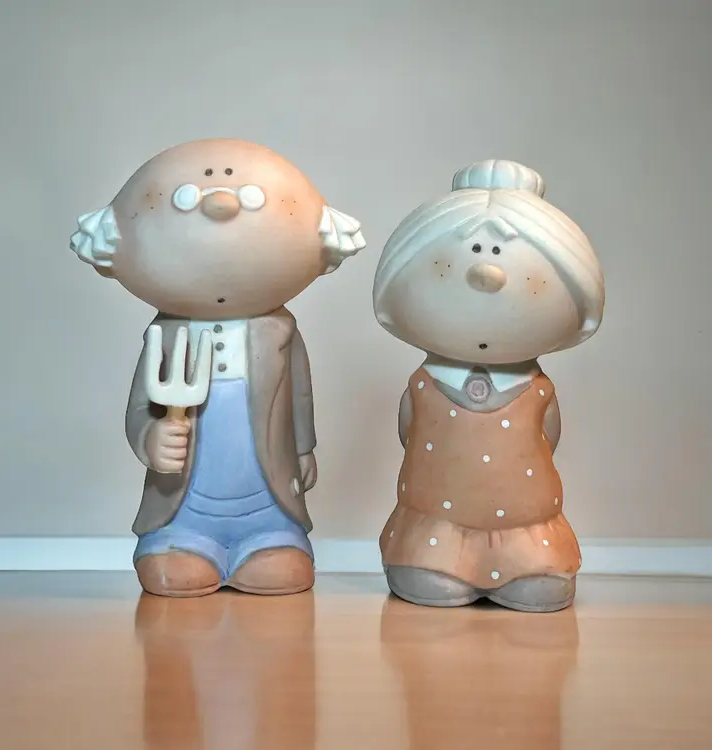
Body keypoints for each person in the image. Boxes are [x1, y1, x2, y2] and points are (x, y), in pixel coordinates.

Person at [70, 138, 365, 597]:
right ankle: (179, 541)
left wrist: (304, 449)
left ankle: (269, 540)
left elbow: (300, 394)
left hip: (267, 494)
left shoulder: (279, 332)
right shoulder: (167, 336)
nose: (222, 203)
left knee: (283, 569)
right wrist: (151, 437)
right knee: (174, 568)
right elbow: (139, 407)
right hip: (183, 501)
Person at [372, 159, 605, 611]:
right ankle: (433, 560)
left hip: (526, 523)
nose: (487, 273)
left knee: (541, 585)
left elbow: (547, 439)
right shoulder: (424, 385)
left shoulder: (537, 390)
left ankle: (528, 562)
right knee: (429, 574)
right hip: (435, 519)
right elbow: (410, 434)